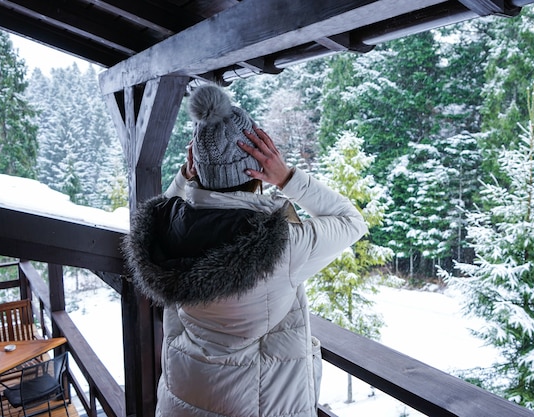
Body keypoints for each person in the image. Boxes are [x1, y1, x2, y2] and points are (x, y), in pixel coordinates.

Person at [122, 84, 367, 417]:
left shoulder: (165, 230)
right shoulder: (283, 243)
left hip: (184, 395)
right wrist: (288, 178)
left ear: (196, 165)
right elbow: (352, 222)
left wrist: (185, 177)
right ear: (258, 173)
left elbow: (167, 207)